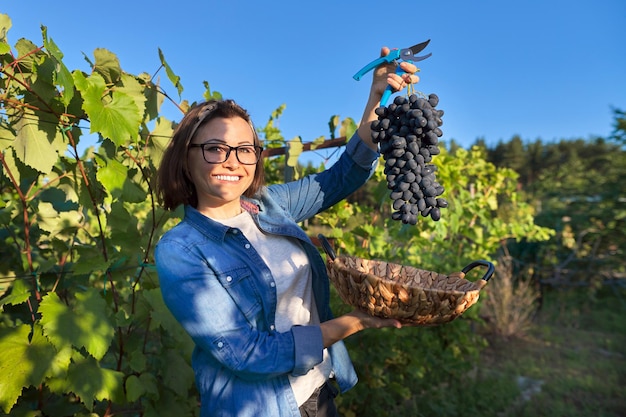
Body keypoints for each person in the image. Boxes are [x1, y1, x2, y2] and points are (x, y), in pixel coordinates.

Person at [154, 47, 420, 417]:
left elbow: (343, 176)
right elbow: (247, 352)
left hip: (318, 391)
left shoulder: (270, 204)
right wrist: (353, 322)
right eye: (215, 149)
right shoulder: (181, 250)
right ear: (186, 156)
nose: (233, 161)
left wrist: (377, 99)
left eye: (245, 149)